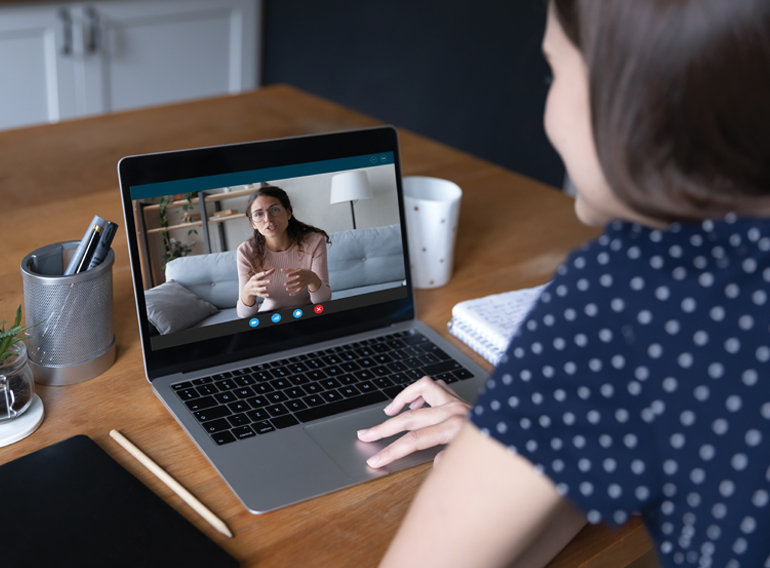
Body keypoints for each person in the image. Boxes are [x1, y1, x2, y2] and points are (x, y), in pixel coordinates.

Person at [379, 1, 770, 567]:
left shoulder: (634, 294)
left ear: (638, 96)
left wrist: (513, 449)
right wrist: (535, 445)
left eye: (554, 71)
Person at [237, 186, 331, 318]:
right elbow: (244, 315)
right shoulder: (246, 251)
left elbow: (323, 302)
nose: (268, 219)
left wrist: (313, 280)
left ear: (288, 213)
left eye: (275, 210)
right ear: (253, 223)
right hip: (271, 317)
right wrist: (247, 293)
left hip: (311, 314)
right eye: (259, 214)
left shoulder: (314, 241)